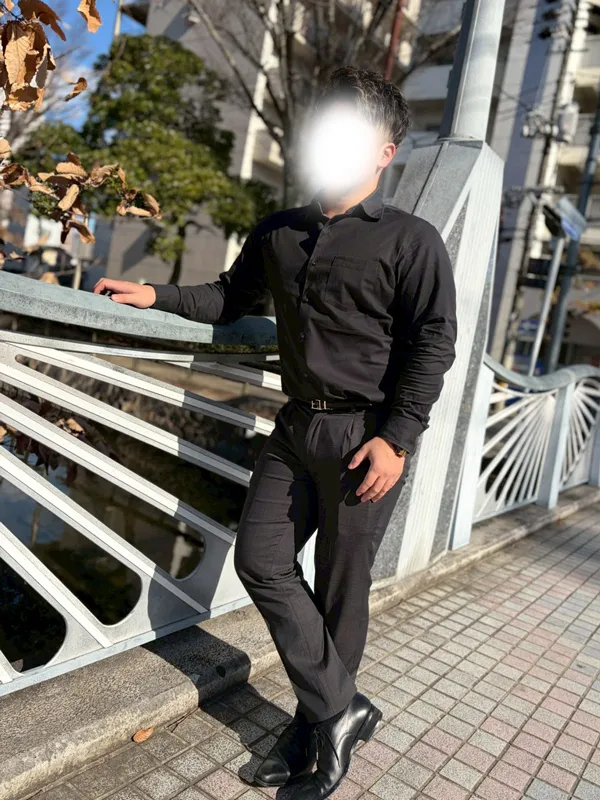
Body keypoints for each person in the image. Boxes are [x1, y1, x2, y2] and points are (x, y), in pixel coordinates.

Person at [95, 67, 457, 800]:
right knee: (261, 561)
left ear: (384, 152)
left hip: (365, 438)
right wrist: (155, 294)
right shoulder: (280, 231)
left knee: (341, 591)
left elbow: (434, 342)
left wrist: (398, 438)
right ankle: (340, 711)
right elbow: (230, 298)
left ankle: (313, 735)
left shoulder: (411, 240)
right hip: (296, 427)